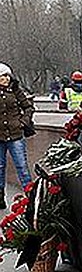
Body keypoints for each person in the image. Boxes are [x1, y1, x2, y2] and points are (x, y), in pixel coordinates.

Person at [0, 63, 35, 203]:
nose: (6, 79)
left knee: (22, 166)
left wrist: (23, 122)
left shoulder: (15, 90)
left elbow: (28, 107)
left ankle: (30, 196)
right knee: (0, 167)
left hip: (15, 134)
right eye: (3, 76)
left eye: (7, 76)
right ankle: (0, 197)